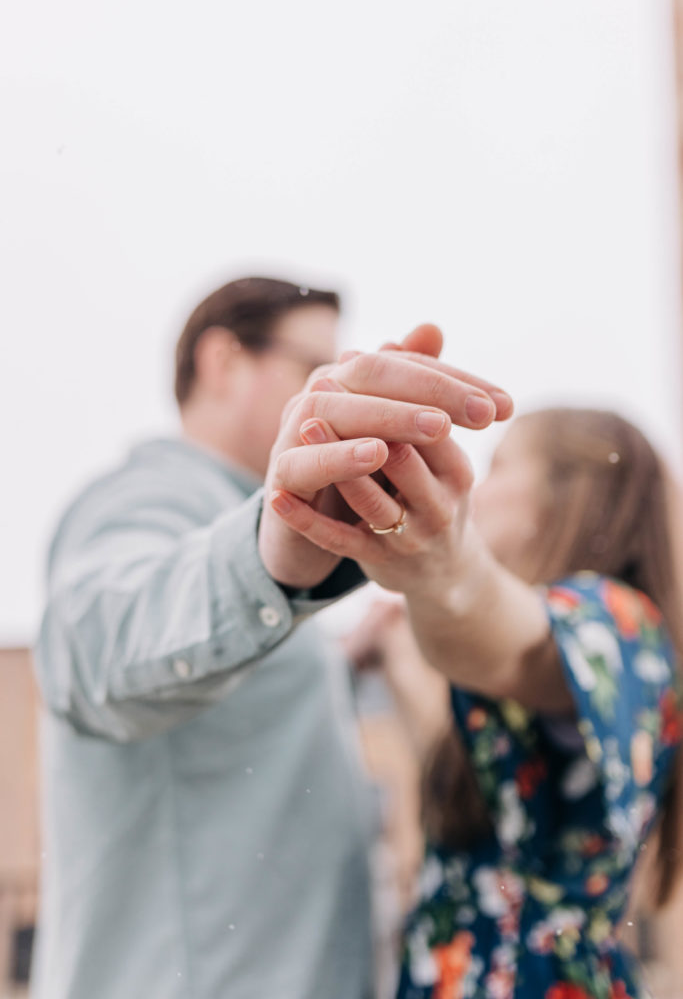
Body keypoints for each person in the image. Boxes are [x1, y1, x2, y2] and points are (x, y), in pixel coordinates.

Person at [33, 280, 511, 999]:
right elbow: (87, 653)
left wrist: (342, 662)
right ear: (223, 361)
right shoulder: (142, 502)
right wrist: (269, 561)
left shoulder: (243, 530)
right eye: (308, 365)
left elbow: (233, 738)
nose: (325, 390)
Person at [268, 385, 683, 998]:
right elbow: (483, 774)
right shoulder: (573, 653)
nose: (477, 492)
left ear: (570, 490)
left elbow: (503, 637)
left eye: (500, 466)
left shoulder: (618, 622)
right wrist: (395, 650)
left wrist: (436, 562)